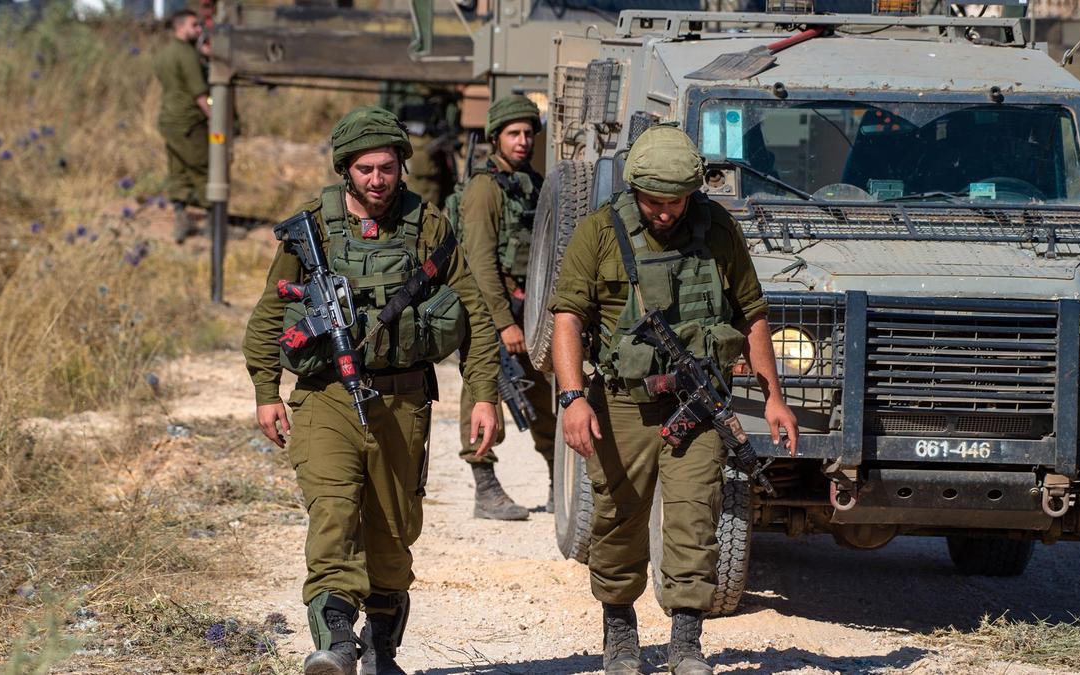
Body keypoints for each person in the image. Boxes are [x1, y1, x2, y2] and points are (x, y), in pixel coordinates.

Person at [243, 106, 500, 675]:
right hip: (325, 397)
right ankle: (335, 644)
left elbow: (475, 314)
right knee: (333, 514)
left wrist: (483, 394)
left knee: (391, 532)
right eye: (365, 170)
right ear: (345, 171)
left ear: (402, 167)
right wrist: (266, 389)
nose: (378, 181)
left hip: (402, 400)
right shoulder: (312, 226)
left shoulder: (428, 225)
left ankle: (381, 648)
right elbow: (270, 312)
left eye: (387, 168)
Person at [547, 123, 799, 675]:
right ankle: (620, 637)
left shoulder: (718, 230)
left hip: (699, 406)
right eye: (654, 201)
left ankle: (686, 644)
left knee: (695, 517)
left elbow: (752, 313)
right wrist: (571, 398)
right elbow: (567, 317)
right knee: (617, 517)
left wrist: (774, 397)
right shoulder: (599, 233)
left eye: (677, 201)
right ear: (635, 189)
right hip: (622, 404)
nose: (665, 212)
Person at [456, 95, 557, 521]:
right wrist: (501, 324)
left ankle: (559, 477)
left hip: (528, 309)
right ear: (495, 137)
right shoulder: (484, 189)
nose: (522, 141)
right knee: (484, 393)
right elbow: (479, 262)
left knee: (540, 393)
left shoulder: (533, 182)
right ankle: (485, 488)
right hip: (490, 311)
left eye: (529, 133)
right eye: (513, 133)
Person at [154, 9, 210, 244]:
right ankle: (214, 226)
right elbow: (199, 92)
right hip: (189, 120)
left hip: (168, 120)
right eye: (194, 26)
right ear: (180, 27)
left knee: (177, 169)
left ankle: (181, 219)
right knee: (204, 168)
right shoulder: (186, 54)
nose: (199, 30)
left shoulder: (164, 53)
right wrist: (213, 115)